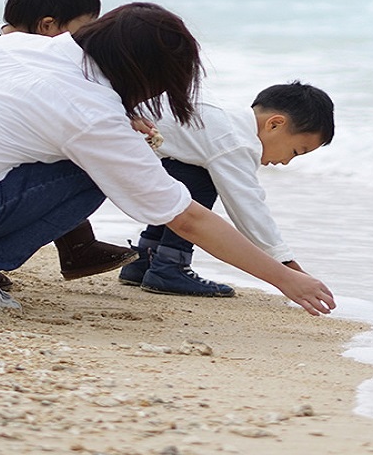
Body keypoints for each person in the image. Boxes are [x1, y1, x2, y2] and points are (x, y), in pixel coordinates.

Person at [0, 3, 335, 316]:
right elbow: (185, 215)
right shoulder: (90, 109)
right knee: (90, 171)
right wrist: (286, 280)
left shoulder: (12, 46)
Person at [0, 0, 138, 283]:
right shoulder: (29, 60)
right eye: (83, 29)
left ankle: (77, 244)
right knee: (81, 157)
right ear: (48, 26)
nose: (87, 40)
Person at [120, 82, 333, 297]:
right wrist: (287, 266)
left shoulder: (223, 114)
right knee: (204, 179)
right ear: (275, 124)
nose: (286, 162)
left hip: (118, 146)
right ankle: (170, 266)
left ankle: (146, 259)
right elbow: (248, 209)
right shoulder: (236, 141)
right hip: (112, 156)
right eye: (296, 151)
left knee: (193, 170)